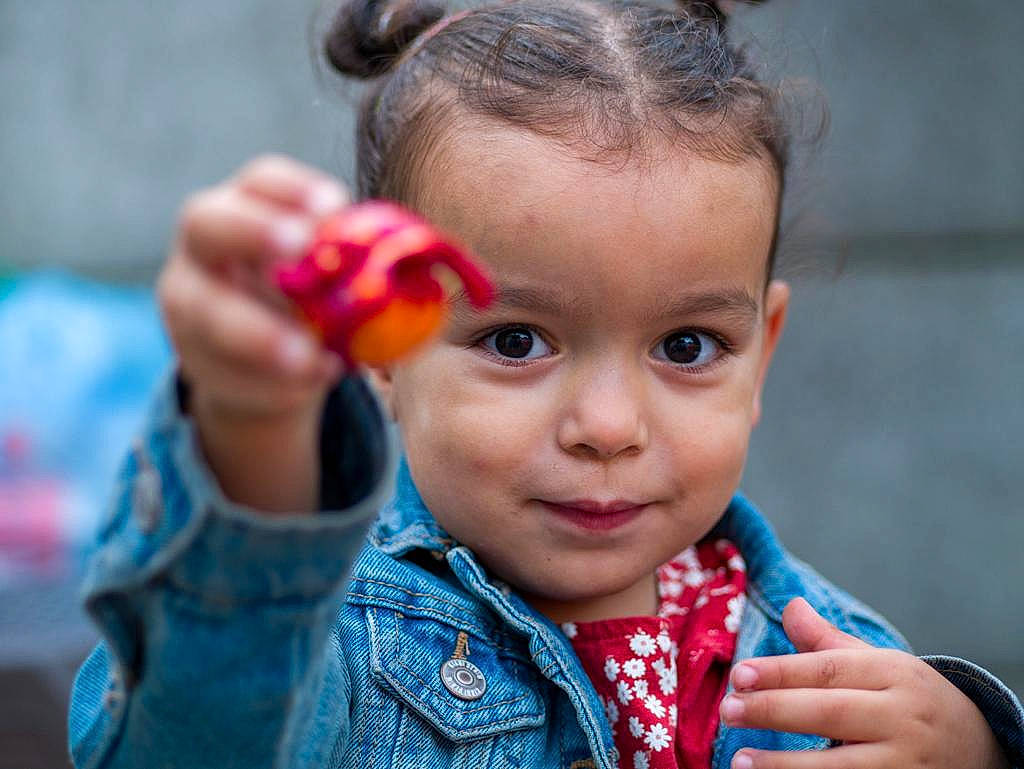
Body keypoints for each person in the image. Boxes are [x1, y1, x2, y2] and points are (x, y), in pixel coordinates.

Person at [68, 2, 1023, 768]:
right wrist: (251, 437)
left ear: (762, 350)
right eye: (516, 338)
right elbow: (191, 735)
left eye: (686, 345)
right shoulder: (344, 647)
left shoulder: (831, 660)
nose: (606, 428)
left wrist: (975, 746)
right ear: (382, 349)